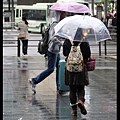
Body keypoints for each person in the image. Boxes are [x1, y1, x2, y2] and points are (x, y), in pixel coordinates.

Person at [28, 11, 66, 94]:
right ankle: (34, 80)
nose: (64, 15)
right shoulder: (55, 24)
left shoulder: (57, 23)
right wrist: (62, 42)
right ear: (59, 14)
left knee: (59, 67)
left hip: (55, 49)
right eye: (63, 13)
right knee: (51, 69)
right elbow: (54, 38)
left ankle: (59, 87)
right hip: (52, 50)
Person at [63, 33, 91, 116]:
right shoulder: (84, 41)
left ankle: (74, 110)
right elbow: (88, 54)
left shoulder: (68, 41)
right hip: (81, 68)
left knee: (72, 89)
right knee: (81, 87)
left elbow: (65, 53)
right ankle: (80, 101)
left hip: (70, 69)